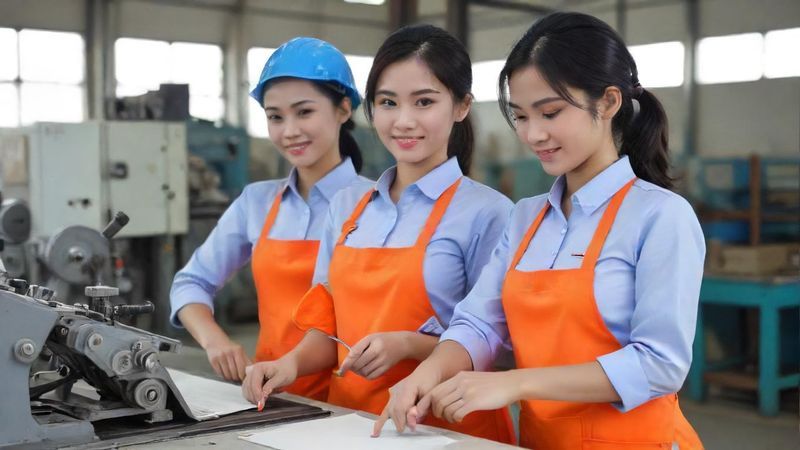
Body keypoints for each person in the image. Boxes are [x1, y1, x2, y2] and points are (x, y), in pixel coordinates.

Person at [375, 12, 706, 450]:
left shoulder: (661, 216)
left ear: (607, 103)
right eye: (521, 116)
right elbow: (480, 322)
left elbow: (660, 364)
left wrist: (514, 383)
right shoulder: (527, 218)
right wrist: (428, 373)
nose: (533, 134)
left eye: (549, 112)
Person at [242, 24, 516, 444]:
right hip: (350, 425)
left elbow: (501, 350)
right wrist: (290, 365)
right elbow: (328, 330)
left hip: (447, 432)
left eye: (424, 102)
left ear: (461, 106)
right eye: (388, 103)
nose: (403, 121)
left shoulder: (488, 213)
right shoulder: (348, 207)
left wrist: (409, 344)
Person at [170, 37, 372, 402]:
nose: (289, 130)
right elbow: (190, 283)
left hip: (356, 403)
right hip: (271, 396)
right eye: (275, 117)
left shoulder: (377, 203)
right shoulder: (257, 202)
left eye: (304, 112)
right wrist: (216, 342)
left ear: (343, 109)